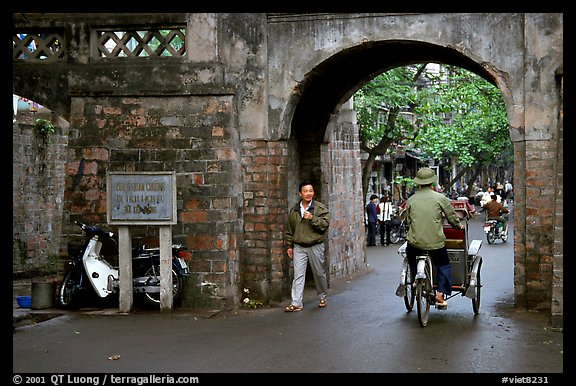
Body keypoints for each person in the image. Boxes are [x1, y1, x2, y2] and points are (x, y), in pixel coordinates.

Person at [405, 167, 464, 308]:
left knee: (410, 257)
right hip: (436, 243)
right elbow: (452, 217)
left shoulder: (411, 200)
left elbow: (409, 221)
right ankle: (440, 294)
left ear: (418, 183)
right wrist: (458, 226)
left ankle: (414, 279)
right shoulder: (440, 198)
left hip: (415, 243)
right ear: (433, 183)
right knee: (443, 264)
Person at [284, 181, 330, 312]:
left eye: (310, 190)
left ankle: (322, 297)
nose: (308, 193)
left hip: (315, 245)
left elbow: (324, 225)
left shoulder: (320, 208)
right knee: (298, 275)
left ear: (313, 192)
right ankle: (296, 303)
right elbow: (289, 230)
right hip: (299, 246)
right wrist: (289, 245)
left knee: (319, 273)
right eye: (305, 191)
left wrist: (312, 218)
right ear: (300, 193)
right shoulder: (294, 210)